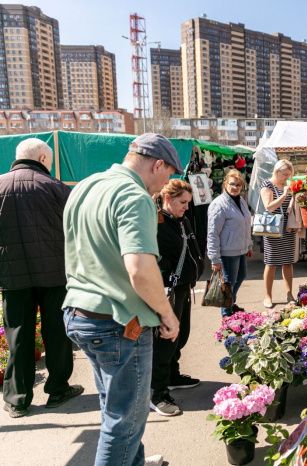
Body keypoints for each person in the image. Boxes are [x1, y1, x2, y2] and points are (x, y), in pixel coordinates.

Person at [62, 133, 181, 466]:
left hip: (80, 313)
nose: (165, 184)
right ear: (158, 164)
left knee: (117, 410)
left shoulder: (85, 186)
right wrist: (167, 314)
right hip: (118, 322)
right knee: (124, 419)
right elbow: (141, 270)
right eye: (168, 174)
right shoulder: (134, 195)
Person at [0, 138, 83, 418]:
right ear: (44, 159)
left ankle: (17, 399)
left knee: (18, 335)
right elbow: (76, 232)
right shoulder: (57, 188)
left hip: (12, 277)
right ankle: (58, 389)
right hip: (55, 275)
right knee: (57, 333)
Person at [151, 179, 204, 417]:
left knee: (179, 336)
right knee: (165, 341)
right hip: (168, 290)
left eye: (188, 203)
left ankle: (172, 375)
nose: (186, 207)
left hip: (182, 286)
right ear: (168, 199)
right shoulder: (158, 222)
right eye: (182, 202)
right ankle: (157, 392)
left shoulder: (180, 220)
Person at [207, 169, 253, 315]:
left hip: (240, 249)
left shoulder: (241, 201)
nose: (236, 188)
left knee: (240, 277)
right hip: (227, 252)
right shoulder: (218, 204)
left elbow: (245, 225)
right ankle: (226, 315)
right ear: (225, 183)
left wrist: (249, 245)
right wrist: (214, 258)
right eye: (233, 184)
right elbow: (212, 232)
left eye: (239, 185)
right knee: (228, 284)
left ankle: (230, 304)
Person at [260, 159, 297, 308]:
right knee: (271, 263)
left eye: (289, 175)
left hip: (287, 227)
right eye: (285, 174)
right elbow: (269, 207)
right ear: (276, 172)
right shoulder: (267, 185)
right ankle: (268, 296)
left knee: (287, 262)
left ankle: (289, 294)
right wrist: (284, 195)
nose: (287, 177)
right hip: (273, 229)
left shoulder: (287, 185)